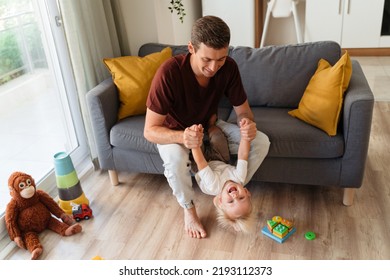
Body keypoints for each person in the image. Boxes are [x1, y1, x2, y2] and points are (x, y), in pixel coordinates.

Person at [144, 15, 270, 239]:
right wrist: (183, 137)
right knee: (174, 161)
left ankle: (230, 186)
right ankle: (189, 210)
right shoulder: (169, 73)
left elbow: (243, 111)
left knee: (261, 140)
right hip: (175, 133)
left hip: (210, 127)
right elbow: (150, 131)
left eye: (220, 59)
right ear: (191, 48)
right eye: (207, 60)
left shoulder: (229, 68)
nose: (214, 67)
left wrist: (248, 125)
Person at [190, 118, 256, 233]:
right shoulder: (239, 177)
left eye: (230, 202)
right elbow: (243, 154)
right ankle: (210, 125)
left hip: (201, 164)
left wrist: (195, 141)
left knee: (196, 144)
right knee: (218, 137)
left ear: (220, 200)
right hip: (219, 160)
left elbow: (201, 162)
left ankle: (198, 130)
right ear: (246, 191)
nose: (235, 196)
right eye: (241, 198)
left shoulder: (213, 185)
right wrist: (245, 137)